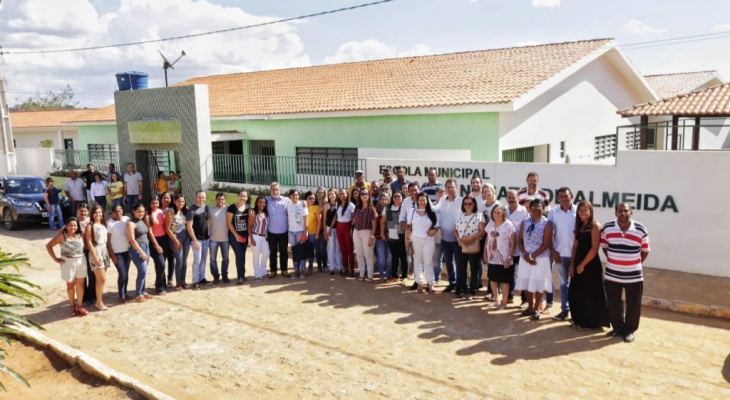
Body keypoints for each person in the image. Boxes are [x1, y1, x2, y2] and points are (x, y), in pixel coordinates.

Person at [601, 203, 650, 343]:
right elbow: (604, 246)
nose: (623, 213)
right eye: (620, 211)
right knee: (613, 302)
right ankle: (617, 327)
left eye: (626, 211)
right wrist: (614, 259)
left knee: (633, 304)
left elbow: (645, 250)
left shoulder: (640, 228)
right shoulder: (608, 227)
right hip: (612, 274)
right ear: (615, 213)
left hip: (633, 275)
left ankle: (629, 330)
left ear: (631, 212)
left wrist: (635, 263)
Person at [568, 200, 610, 331]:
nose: (583, 213)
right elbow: (575, 247)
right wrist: (572, 265)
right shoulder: (579, 226)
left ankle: (591, 322)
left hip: (590, 265)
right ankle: (578, 319)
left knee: (591, 293)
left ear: (591, 211)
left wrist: (582, 265)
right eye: (580, 211)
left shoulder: (595, 226)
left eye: (585, 210)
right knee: (576, 292)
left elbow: (594, 249)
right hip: (578, 263)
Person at [515, 199, 553, 320]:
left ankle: (536, 308)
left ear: (543, 208)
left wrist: (532, 256)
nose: (536, 208)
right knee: (526, 283)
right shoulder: (525, 222)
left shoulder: (547, 223)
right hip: (525, 258)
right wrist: (525, 254)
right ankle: (530, 307)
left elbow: (546, 243)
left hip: (540, 259)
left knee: (538, 283)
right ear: (529, 209)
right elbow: (520, 240)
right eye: (534, 206)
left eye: (539, 206)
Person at [46, 217, 88, 317]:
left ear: (77, 226)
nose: (72, 227)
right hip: (67, 262)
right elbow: (49, 245)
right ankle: (72, 306)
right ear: (66, 226)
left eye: (75, 225)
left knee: (80, 285)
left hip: (81, 261)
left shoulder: (81, 235)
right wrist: (56, 259)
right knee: (70, 285)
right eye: (70, 225)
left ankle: (80, 306)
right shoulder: (62, 236)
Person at [548, 187, 576, 321]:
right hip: (560, 254)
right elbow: (548, 234)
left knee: (577, 285)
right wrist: (553, 252)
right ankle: (565, 310)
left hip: (576, 255)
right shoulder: (553, 212)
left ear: (572, 196)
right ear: (558, 198)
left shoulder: (579, 211)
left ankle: (577, 311)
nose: (564, 199)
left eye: (566, 196)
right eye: (561, 196)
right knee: (564, 283)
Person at [433, 179, 462, 293]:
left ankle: (460, 286)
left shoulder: (461, 201)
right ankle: (452, 283)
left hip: (457, 239)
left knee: (459, 264)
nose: (450, 189)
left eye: (452, 187)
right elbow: (436, 212)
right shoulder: (442, 200)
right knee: (449, 262)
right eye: (448, 187)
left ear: (456, 188)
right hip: (444, 238)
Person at [406, 192, 439, 294]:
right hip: (415, 240)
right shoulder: (412, 211)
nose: (422, 202)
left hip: (428, 240)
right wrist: (407, 241)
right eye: (420, 200)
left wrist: (434, 231)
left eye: (424, 200)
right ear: (417, 201)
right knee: (417, 261)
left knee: (428, 261)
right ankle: (419, 282)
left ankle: (430, 283)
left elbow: (437, 225)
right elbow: (408, 227)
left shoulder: (432, 212)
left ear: (427, 201)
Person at [484, 204, 516, 310]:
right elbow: (487, 239)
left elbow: (513, 243)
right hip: (492, 257)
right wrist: (485, 253)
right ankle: (496, 300)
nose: (496, 214)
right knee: (493, 279)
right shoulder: (490, 224)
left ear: (503, 213)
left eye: (499, 212)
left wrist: (509, 258)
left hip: (505, 259)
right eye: (494, 212)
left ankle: (504, 302)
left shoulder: (508, 225)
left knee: (504, 281)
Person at [454, 195, 485, 300]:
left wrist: (471, 238)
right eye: (465, 203)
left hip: (473, 245)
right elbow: (454, 229)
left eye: (470, 203)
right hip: (461, 246)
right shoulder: (459, 215)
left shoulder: (479, 216)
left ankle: (472, 291)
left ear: (474, 204)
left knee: (474, 269)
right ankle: (464, 289)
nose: (468, 205)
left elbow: (483, 231)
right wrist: (458, 239)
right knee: (461, 269)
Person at [84, 204, 111, 311]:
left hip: (104, 252)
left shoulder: (103, 224)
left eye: (100, 212)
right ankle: (99, 302)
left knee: (100, 280)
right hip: (96, 252)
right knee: (102, 279)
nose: (98, 214)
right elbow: (89, 242)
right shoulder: (90, 226)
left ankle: (99, 300)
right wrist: (95, 256)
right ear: (92, 214)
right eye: (96, 212)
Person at [505, 190, 528, 305]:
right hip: (507, 248)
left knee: (523, 274)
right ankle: (510, 295)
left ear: (518, 198)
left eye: (513, 197)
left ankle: (524, 299)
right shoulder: (503, 210)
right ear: (506, 198)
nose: (511, 199)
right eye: (509, 197)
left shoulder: (523, 211)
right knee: (509, 273)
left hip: (521, 248)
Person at [127, 203, 152, 302]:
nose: (141, 213)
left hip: (146, 247)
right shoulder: (131, 223)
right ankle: (138, 294)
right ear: (134, 211)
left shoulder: (142, 221)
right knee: (142, 271)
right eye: (138, 211)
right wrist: (141, 252)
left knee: (144, 271)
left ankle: (143, 291)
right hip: (137, 249)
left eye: (142, 211)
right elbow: (132, 240)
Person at [352, 188, 378, 282]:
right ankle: (361, 274)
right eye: (362, 193)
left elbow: (374, 225)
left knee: (368, 254)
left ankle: (370, 275)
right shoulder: (357, 207)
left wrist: (372, 237)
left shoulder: (371, 209)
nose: (364, 195)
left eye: (366, 193)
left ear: (369, 195)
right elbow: (354, 220)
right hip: (356, 231)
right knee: (359, 254)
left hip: (367, 232)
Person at [166, 195, 191, 290]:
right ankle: (178, 283)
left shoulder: (185, 211)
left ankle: (183, 280)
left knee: (184, 260)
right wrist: (176, 240)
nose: (181, 203)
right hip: (175, 237)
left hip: (186, 237)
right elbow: (167, 229)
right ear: (175, 202)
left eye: (183, 202)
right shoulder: (171, 212)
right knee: (179, 260)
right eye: (179, 201)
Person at [266, 182, 291, 278]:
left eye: (277, 189)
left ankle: (284, 270)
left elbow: (296, 205)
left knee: (284, 252)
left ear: (280, 190)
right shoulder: (266, 200)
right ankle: (273, 271)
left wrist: (304, 203)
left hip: (283, 231)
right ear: (270, 190)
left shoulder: (286, 200)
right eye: (273, 189)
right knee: (272, 252)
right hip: (271, 231)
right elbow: (257, 207)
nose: (275, 191)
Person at [107, 205, 132, 302]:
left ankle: (125, 292)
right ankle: (121, 295)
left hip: (127, 250)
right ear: (112, 212)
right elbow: (108, 241)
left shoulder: (127, 220)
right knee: (122, 273)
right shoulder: (109, 223)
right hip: (117, 252)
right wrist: (112, 255)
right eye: (116, 211)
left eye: (120, 211)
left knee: (126, 272)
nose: (118, 213)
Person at [187, 190, 211, 288]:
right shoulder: (192, 210)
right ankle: (195, 280)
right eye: (199, 197)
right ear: (195, 197)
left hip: (206, 238)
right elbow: (189, 227)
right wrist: (195, 241)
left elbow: (207, 219)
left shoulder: (206, 207)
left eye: (203, 197)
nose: (201, 199)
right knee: (197, 259)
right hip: (196, 240)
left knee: (204, 259)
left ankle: (202, 277)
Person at [146, 197, 170, 295]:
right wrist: (156, 245)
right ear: (149, 203)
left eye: (156, 203)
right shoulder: (147, 215)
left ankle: (161, 284)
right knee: (160, 263)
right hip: (154, 241)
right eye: (152, 203)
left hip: (164, 239)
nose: (154, 205)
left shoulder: (161, 211)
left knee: (161, 264)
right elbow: (150, 232)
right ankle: (160, 288)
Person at [382, 191, 407, 284]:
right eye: (395, 196)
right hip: (391, 236)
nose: (397, 198)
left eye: (399, 196)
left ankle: (405, 276)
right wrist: (382, 233)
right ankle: (395, 276)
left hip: (403, 235)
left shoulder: (404, 207)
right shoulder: (387, 208)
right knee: (394, 257)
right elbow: (384, 222)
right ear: (392, 198)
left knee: (403, 257)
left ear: (402, 198)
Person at [227, 190, 251, 284]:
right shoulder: (232, 207)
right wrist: (236, 235)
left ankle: (242, 275)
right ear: (237, 196)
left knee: (242, 255)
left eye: (245, 196)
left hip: (244, 235)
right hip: (234, 235)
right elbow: (229, 223)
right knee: (239, 254)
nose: (243, 198)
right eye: (241, 196)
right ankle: (240, 276)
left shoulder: (248, 208)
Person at [286, 189, 308, 279]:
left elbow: (306, 220)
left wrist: (304, 233)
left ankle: (302, 270)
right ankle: (296, 270)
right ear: (290, 197)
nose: (294, 197)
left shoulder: (302, 205)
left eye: (296, 195)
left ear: (298, 196)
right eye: (292, 195)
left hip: (300, 231)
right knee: (294, 252)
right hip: (291, 232)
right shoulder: (288, 206)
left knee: (301, 252)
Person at [332, 188, 355, 277]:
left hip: (347, 227)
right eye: (340, 194)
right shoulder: (338, 204)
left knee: (349, 250)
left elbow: (354, 218)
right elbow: (336, 217)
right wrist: (330, 228)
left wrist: (351, 228)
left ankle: (352, 269)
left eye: (343, 194)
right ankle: (345, 268)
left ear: (347, 194)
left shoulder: (351, 205)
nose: (341, 195)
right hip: (339, 228)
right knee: (343, 250)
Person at [209, 192, 231, 283]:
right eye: (219, 199)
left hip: (225, 239)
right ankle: (215, 277)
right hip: (213, 239)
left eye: (222, 199)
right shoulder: (210, 209)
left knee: (225, 258)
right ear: (215, 199)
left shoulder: (228, 209)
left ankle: (224, 275)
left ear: (225, 200)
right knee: (213, 259)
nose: (220, 201)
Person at [248, 196, 270, 281]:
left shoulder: (265, 213)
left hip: (263, 237)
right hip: (255, 236)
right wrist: (251, 239)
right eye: (260, 202)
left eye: (264, 202)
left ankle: (262, 270)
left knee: (266, 253)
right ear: (257, 203)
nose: (262, 204)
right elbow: (249, 226)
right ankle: (257, 273)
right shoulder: (253, 212)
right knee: (256, 255)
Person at [158, 192, 176, 286]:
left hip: (171, 236)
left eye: (168, 198)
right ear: (161, 199)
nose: (166, 200)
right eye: (164, 198)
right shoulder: (158, 210)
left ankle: (170, 278)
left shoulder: (173, 209)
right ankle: (161, 278)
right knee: (161, 259)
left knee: (171, 257)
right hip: (160, 237)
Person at [323, 188, 342, 275]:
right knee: (330, 248)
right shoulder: (326, 205)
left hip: (338, 228)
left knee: (337, 248)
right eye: (329, 194)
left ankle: (340, 267)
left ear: (336, 194)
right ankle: (331, 267)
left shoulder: (340, 204)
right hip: (328, 228)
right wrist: (325, 232)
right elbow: (324, 220)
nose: (331, 196)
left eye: (333, 194)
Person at [374, 193, 391, 282]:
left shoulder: (391, 210)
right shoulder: (376, 211)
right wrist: (381, 234)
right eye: (382, 199)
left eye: (386, 199)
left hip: (390, 238)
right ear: (379, 201)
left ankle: (388, 275)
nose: (384, 201)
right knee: (380, 258)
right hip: (379, 237)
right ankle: (381, 275)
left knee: (388, 258)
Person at [305, 191, 321, 275]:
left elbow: (319, 222)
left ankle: (310, 267)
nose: (312, 200)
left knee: (311, 250)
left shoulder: (317, 208)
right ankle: (302, 267)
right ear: (306, 198)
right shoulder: (302, 206)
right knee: (303, 249)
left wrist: (317, 233)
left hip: (312, 233)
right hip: (303, 233)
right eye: (310, 198)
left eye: (313, 198)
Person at [314, 186, 328, 272]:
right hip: (314, 229)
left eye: (322, 192)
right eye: (319, 192)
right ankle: (319, 266)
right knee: (317, 249)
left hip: (323, 229)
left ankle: (325, 265)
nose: (320, 194)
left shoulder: (326, 204)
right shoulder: (313, 203)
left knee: (322, 249)